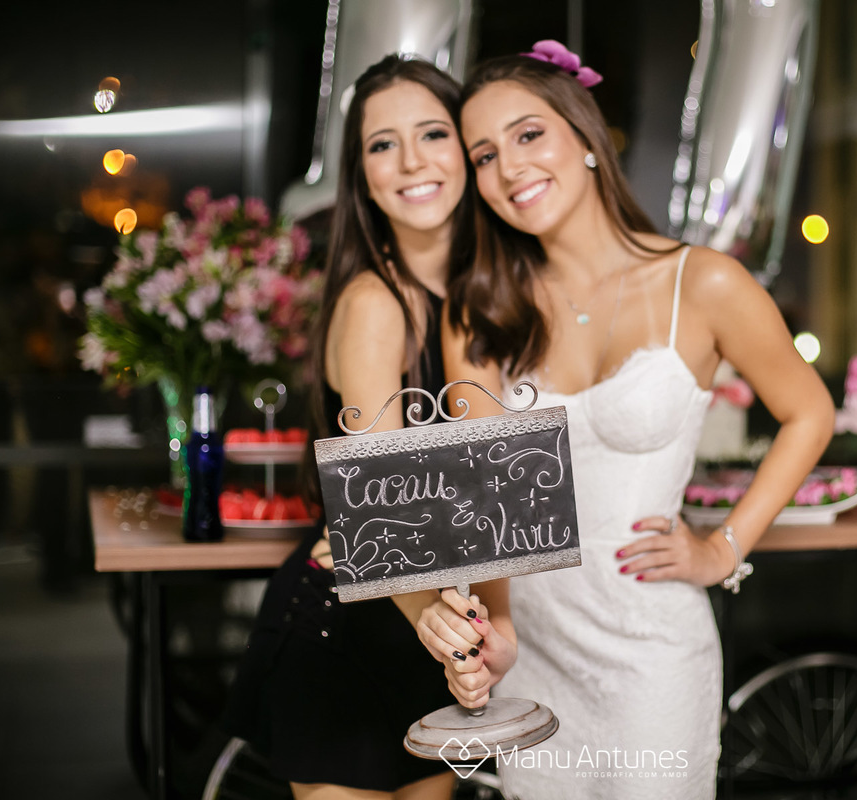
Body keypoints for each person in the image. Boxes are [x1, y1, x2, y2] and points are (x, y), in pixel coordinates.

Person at [414, 45, 837, 799]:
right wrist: (496, 633)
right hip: (536, 652)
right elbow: (488, 500)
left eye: (528, 134)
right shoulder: (479, 310)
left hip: (651, 651)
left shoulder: (703, 282)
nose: (509, 168)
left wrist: (723, 549)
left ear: (584, 136)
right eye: (484, 156)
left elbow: (809, 412)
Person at [224, 54, 515, 800]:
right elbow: (378, 513)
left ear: (467, 149)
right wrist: (445, 629)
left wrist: (478, 622)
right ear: (361, 174)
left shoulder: (480, 299)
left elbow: (490, 491)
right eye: (383, 144)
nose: (412, 161)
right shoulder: (375, 304)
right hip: (349, 624)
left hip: (432, 621)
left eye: (433, 134)